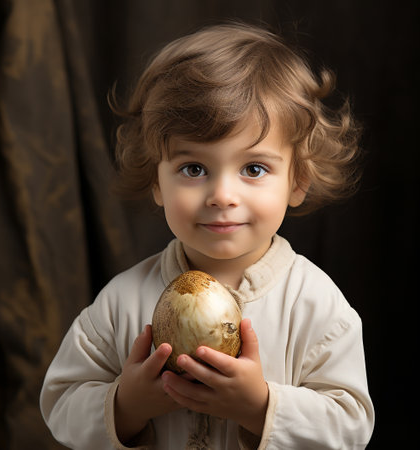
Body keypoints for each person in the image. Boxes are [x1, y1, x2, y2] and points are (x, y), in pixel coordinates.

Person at [40, 22, 374, 449]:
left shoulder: (314, 305)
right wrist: (128, 405)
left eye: (254, 169)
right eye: (193, 169)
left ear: (297, 180)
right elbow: (60, 403)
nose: (222, 196)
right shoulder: (120, 302)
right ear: (157, 181)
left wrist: (260, 406)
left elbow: (351, 426)